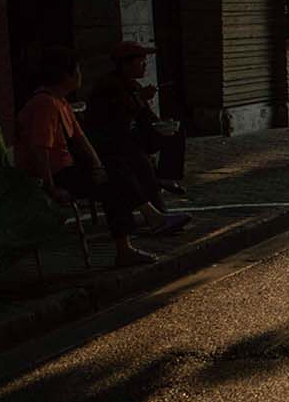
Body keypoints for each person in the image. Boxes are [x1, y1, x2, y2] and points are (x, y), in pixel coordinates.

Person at [16, 46, 186, 267]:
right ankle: (147, 222)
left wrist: (98, 166)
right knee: (118, 175)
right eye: (77, 71)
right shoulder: (45, 104)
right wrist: (51, 188)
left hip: (72, 166)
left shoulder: (61, 102)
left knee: (115, 173)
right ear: (65, 75)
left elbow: (81, 139)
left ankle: (143, 226)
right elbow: (41, 151)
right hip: (53, 175)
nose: (80, 76)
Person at [86, 40, 187, 208]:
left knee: (175, 133)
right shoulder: (109, 85)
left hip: (134, 135)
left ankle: (165, 176)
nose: (144, 65)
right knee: (139, 160)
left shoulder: (133, 84)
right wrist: (140, 99)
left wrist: (162, 125)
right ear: (125, 64)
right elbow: (117, 118)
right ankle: (159, 210)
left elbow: (146, 116)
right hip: (112, 141)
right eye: (140, 60)